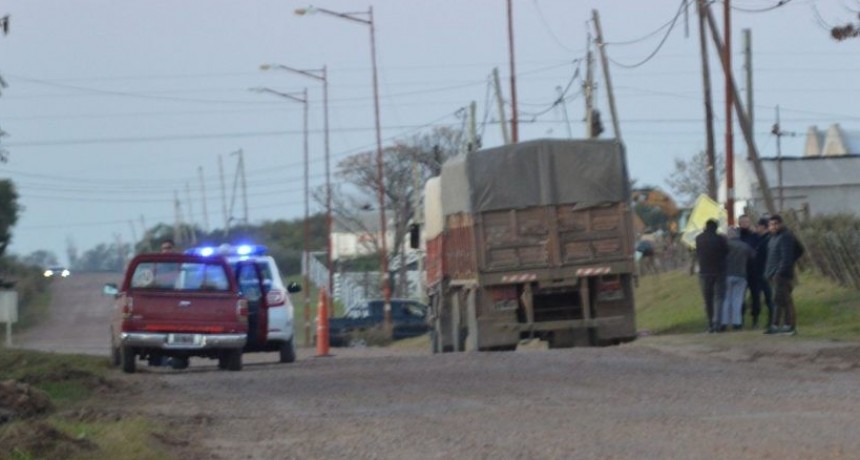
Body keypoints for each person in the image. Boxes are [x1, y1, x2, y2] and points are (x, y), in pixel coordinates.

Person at [764, 214, 803, 335]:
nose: (773, 227)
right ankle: (775, 325)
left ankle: (790, 326)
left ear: (781, 224)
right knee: (777, 300)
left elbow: (792, 254)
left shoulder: (786, 236)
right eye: (771, 225)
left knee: (786, 300)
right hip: (772, 273)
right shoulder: (772, 238)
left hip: (781, 274)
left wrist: (782, 269)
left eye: (776, 224)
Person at [695, 219, 729, 333]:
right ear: (716, 227)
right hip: (719, 271)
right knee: (719, 298)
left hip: (704, 272)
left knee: (708, 299)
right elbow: (726, 251)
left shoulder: (699, 238)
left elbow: (697, 252)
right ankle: (717, 323)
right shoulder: (720, 239)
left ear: (706, 227)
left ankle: (710, 323)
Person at [722, 227, 755, 330]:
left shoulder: (725, 245)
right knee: (738, 299)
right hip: (741, 274)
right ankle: (737, 322)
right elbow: (753, 256)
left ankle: (724, 322)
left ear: (728, 235)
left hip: (727, 274)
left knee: (726, 299)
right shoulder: (745, 246)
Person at [737, 214, 762, 327]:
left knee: (755, 295)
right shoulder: (737, 237)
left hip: (754, 270)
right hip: (741, 270)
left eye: (747, 222)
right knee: (740, 296)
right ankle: (740, 319)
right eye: (743, 222)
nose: (745, 224)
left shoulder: (755, 236)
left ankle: (755, 319)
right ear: (739, 223)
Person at [753, 217, 776, 328]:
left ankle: (772, 320)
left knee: (768, 298)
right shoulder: (762, 239)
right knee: (759, 298)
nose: (756, 228)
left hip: (765, 272)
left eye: (758, 226)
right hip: (761, 272)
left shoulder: (767, 240)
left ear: (763, 227)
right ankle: (764, 320)